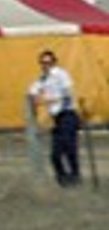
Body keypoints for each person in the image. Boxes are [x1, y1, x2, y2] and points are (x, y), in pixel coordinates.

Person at [28, 49, 81, 187]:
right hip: (57, 118)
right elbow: (32, 92)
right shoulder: (42, 79)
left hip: (68, 115)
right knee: (55, 154)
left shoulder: (61, 74)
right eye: (43, 62)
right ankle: (63, 180)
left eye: (48, 62)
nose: (46, 65)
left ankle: (75, 176)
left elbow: (67, 95)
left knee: (69, 148)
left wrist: (48, 100)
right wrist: (35, 99)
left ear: (54, 62)